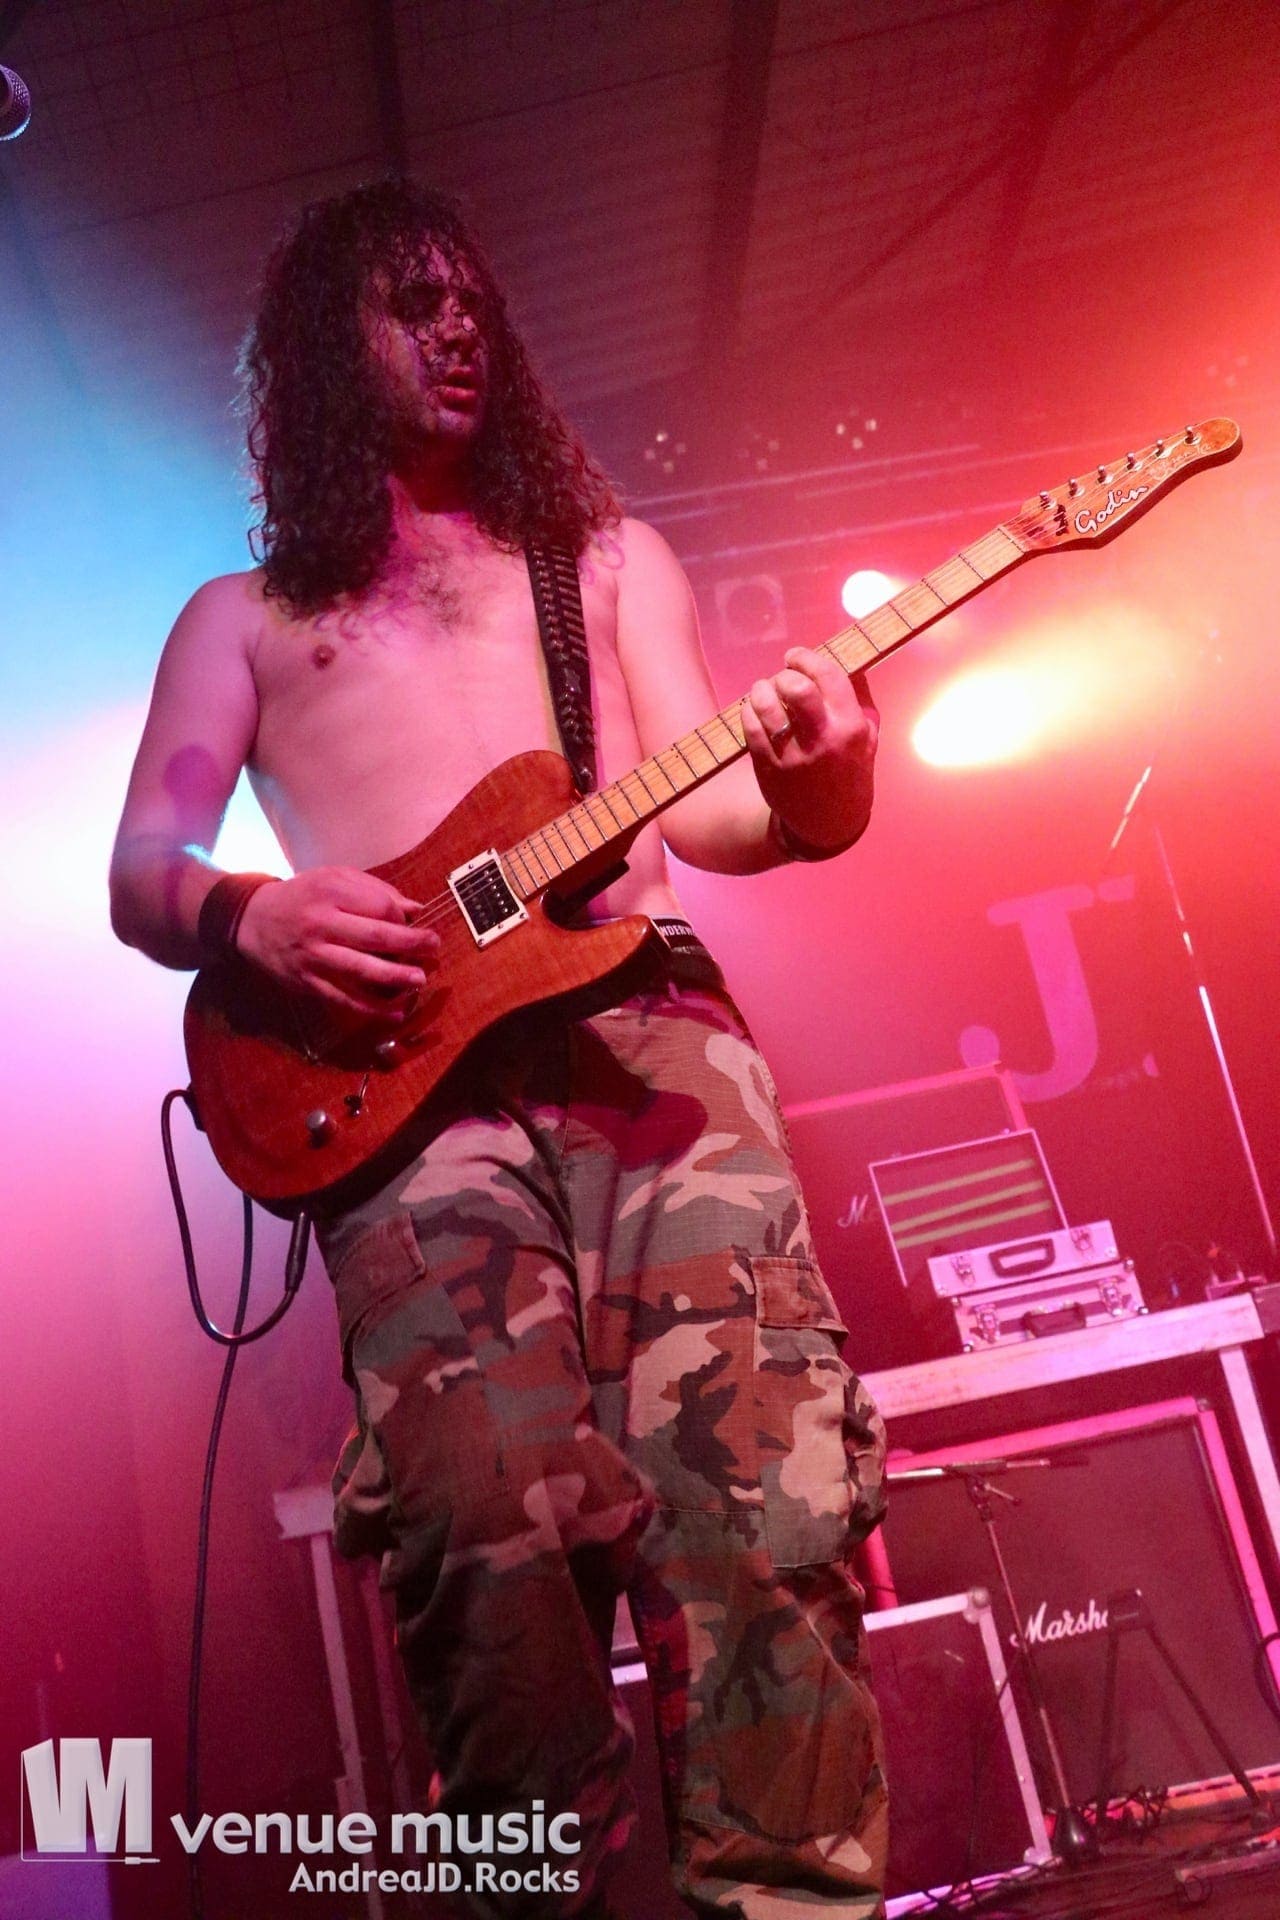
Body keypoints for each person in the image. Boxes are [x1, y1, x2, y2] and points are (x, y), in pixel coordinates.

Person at [110, 178, 887, 1919]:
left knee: (762, 1501)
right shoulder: (245, 619)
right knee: (485, 1546)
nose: (458, 326)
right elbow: (142, 866)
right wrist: (253, 914)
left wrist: (826, 783)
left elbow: (724, 812)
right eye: (413, 303)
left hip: (652, 1045)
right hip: (407, 1104)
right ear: (328, 348)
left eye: (473, 300)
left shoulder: (604, 559)